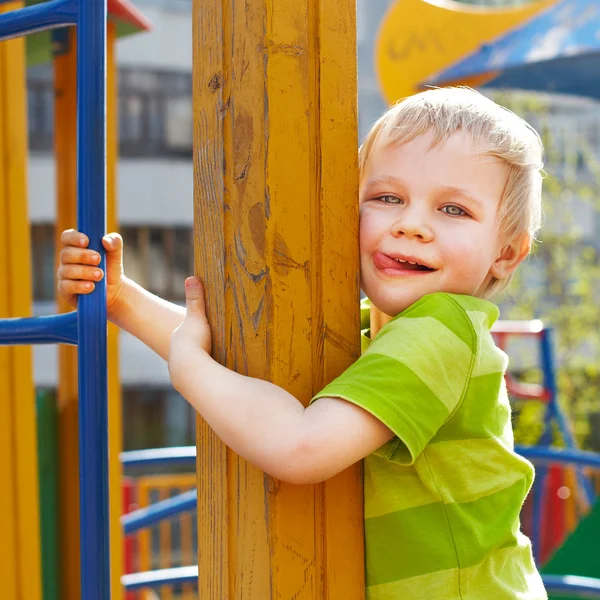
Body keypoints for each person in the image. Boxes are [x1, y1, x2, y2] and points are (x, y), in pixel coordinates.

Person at [57, 87, 547, 599]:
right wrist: (124, 302)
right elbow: (228, 361)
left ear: (506, 254)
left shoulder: (442, 329)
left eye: (453, 209)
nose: (411, 225)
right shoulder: (374, 331)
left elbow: (299, 446)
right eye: (387, 198)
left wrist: (188, 372)